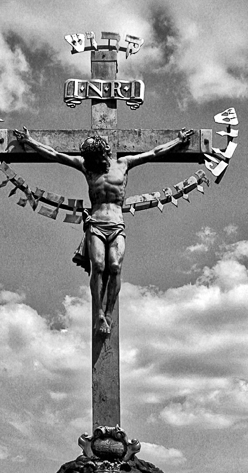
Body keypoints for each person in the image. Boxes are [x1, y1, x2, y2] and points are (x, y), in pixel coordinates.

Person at [14, 126, 194, 336]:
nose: (93, 162)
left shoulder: (124, 164)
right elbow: (55, 155)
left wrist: (178, 141)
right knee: (98, 266)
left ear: (106, 152)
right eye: (90, 158)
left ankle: (109, 313)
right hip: (96, 224)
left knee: (115, 266)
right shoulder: (87, 166)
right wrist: (30, 141)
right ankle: (99, 312)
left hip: (116, 224)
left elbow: (154, 153)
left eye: (97, 157)